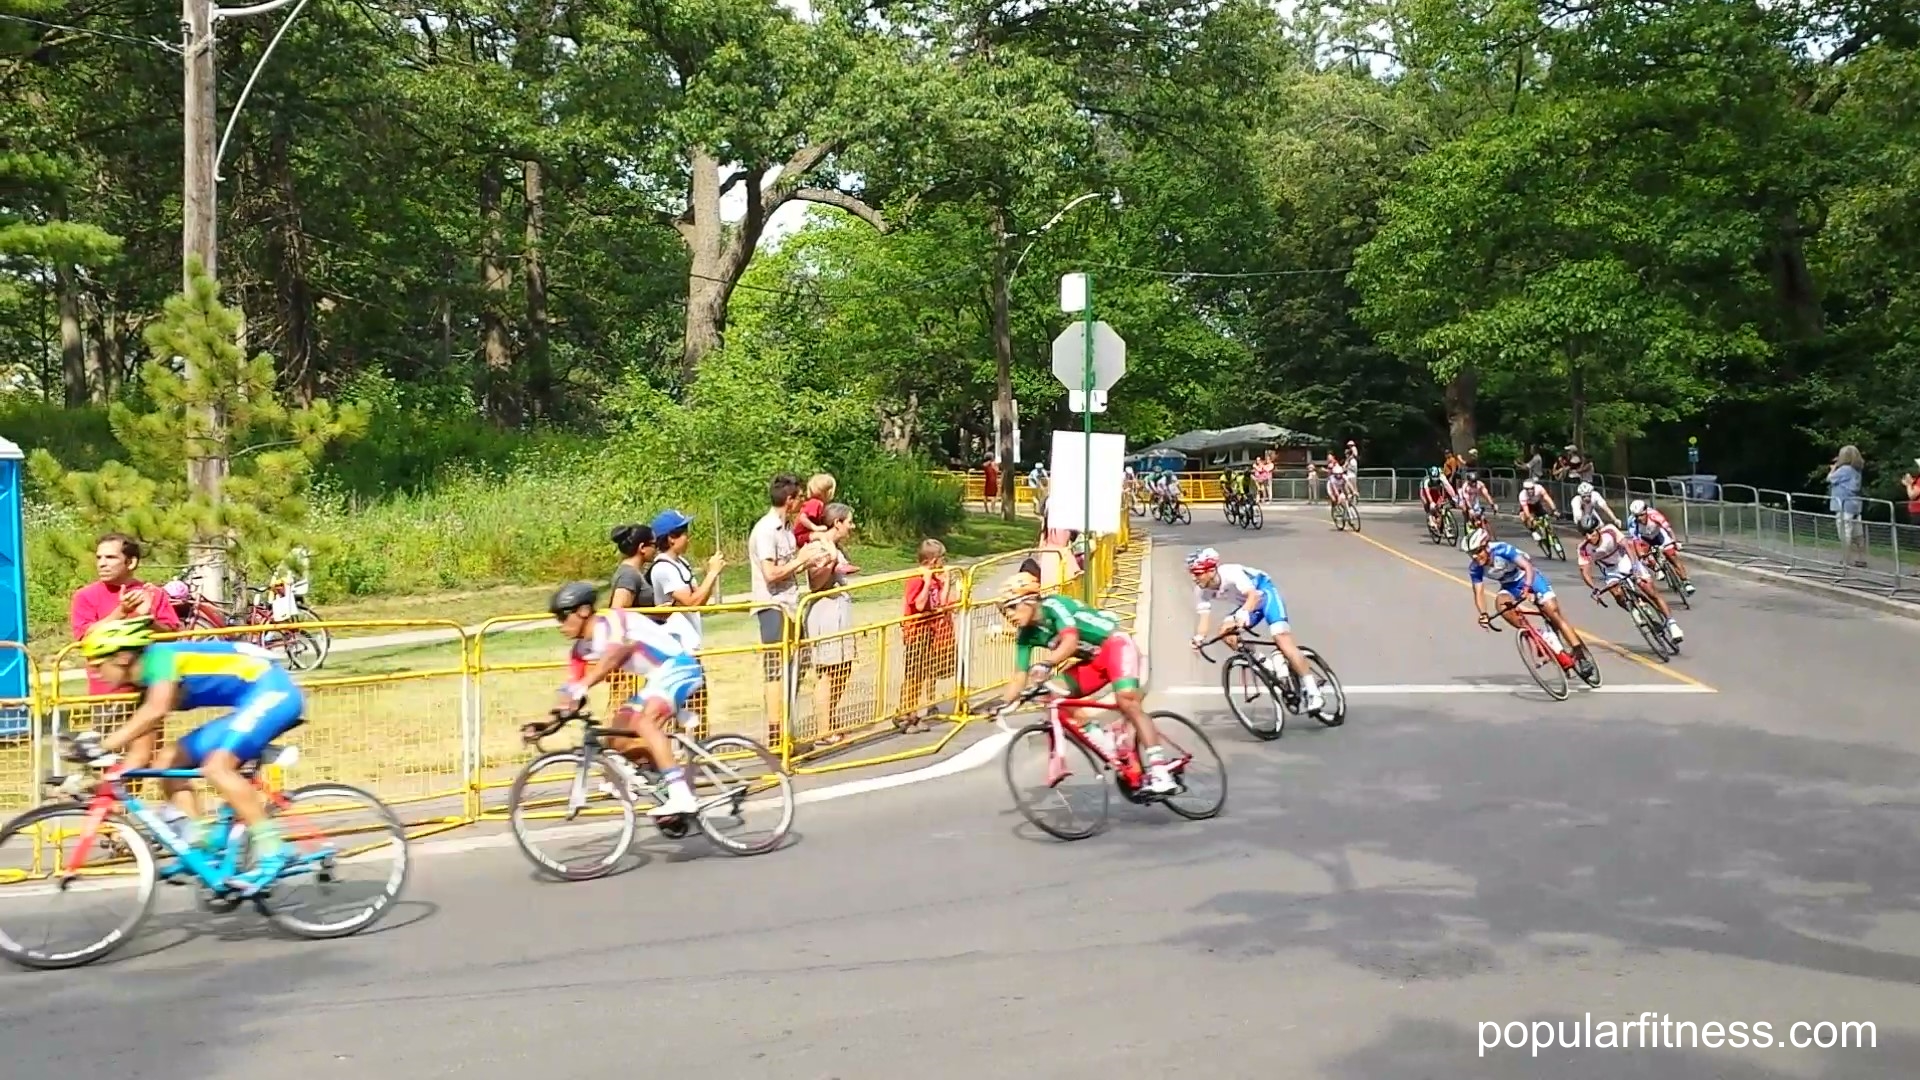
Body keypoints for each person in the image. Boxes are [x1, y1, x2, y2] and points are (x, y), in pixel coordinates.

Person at [65, 618, 305, 893]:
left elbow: (157, 709)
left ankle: (274, 848)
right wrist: (99, 781)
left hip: (274, 692)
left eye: (97, 664)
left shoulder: (161, 658)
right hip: (249, 700)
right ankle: (201, 844)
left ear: (122, 657)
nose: (95, 672)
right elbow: (140, 756)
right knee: (166, 762)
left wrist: (102, 745)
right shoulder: (146, 685)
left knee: (217, 767)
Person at [996, 573, 1177, 795]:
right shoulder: (1025, 634)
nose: (1009, 616)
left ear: (1030, 601)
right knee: (1052, 694)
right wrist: (1002, 703)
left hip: (1116, 646)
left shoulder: (1054, 605)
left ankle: (1161, 772)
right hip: (1094, 662)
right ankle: (1105, 743)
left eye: (1011, 608)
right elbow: (1018, 675)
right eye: (1004, 612)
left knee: (1127, 702)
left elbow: (1070, 641)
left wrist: (1047, 663)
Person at [546, 581, 703, 817]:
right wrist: (546, 725)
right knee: (616, 737)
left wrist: (585, 684)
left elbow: (615, 654)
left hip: (679, 667)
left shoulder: (612, 621)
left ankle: (681, 794)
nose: (560, 624)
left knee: (644, 723)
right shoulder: (579, 651)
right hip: (656, 679)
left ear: (584, 611)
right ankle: (664, 782)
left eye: (563, 616)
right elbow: (570, 691)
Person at [1185, 547, 1325, 716]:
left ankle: (1313, 691)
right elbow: (1204, 619)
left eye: (1197, 573)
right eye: (1192, 573)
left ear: (1211, 570)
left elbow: (1253, 596)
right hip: (1248, 605)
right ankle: (1267, 665)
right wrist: (1199, 638)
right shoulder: (1201, 590)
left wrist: (1243, 613)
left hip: (1264, 596)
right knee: (1226, 633)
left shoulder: (1232, 573)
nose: (1194, 577)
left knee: (1282, 639)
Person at [1465, 527, 1597, 679]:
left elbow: (1527, 567)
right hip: (1509, 586)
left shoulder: (1502, 550)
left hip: (1529, 578)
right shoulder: (1475, 568)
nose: (1475, 556)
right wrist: (1483, 614)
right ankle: (1537, 635)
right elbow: (1479, 591)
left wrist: (1527, 588)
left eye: (1478, 551)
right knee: (1501, 605)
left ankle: (1580, 655)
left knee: (1552, 611)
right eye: (1471, 554)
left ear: (1486, 546)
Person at [70, 534, 183, 696]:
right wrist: (121, 612)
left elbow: (173, 637)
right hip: (107, 692)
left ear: (131, 562)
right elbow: (85, 638)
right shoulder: (84, 596)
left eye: (110, 557)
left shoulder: (154, 594)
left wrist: (146, 620)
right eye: (99, 558)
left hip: (149, 690)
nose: (102, 564)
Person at [1576, 515, 1684, 642]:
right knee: (1616, 593)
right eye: (1585, 534)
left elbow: (1628, 547)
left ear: (1598, 529)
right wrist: (1594, 588)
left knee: (1649, 590)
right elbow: (1585, 571)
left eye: (1591, 532)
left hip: (1626, 559)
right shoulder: (1583, 549)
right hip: (1611, 569)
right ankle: (1635, 610)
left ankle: (1672, 625)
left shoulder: (1609, 531)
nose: (1589, 537)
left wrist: (1635, 568)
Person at [647, 509, 726, 631]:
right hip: (675, 642)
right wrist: (712, 573)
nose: (688, 537)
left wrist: (711, 575)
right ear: (671, 538)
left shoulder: (681, 562)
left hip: (691, 641)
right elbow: (691, 604)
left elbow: (700, 601)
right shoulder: (663, 568)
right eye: (684, 532)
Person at [1626, 499, 1695, 595]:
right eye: (1636, 516)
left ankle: (1686, 582)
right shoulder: (1632, 522)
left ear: (1646, 511)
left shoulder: (1654, 515)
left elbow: (1668, 529)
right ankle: (1656, 568)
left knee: (1672, 557)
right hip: (1645, 539)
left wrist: (1675, 541)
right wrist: (1641, 554)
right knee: (1643, 558)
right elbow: (1636, 541)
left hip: (1659, 535)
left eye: (1641, 515)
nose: (1639, 518)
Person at [607, 523, 658, 610]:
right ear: (642, 547)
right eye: (654, 545)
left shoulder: (632, 572)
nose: (656, 549)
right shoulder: (629, 575)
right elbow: (618, 611)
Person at [1420, 466, 1453, 533]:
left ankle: (1442, 522)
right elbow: (1427, 493)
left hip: (1436, 490)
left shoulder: (1442, 477)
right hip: (1425, 491)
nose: (1435, 480)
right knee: (1427, 504)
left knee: (1440, 505)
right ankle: (1430, 518)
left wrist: (1454, 497)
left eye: (1437, 479)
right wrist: (1431, 502)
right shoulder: (1426, 480)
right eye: (1433, 479)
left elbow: (1447, 487)